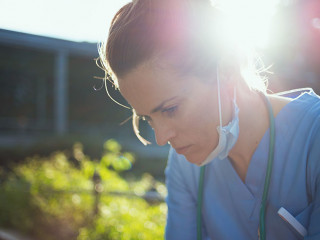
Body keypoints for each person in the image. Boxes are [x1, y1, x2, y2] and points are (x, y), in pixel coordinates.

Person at [98, 0, 320, 239]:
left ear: (226, 70)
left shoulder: (313, 137)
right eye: (147, 119)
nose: (161, 139)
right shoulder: (186, 165)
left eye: (171, 109)